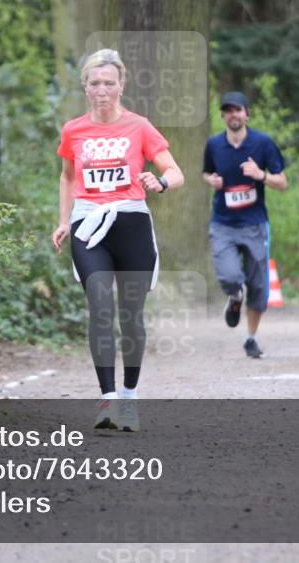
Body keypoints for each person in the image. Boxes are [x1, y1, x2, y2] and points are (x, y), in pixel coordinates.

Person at [52, 49, 184, 431]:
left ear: (121, 85)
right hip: (88, 225)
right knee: (99, 305)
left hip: (131, 224)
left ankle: (129, 396)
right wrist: (64, 220)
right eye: (95, 83)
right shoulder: (73, 130)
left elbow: (175, 172)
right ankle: (107, 399)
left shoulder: (139, 126)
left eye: (109, 83)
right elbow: (67, 176)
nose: (102, 90)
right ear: (85, 87)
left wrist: (159, 182)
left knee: (130, 315)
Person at [202, 91, 287, 359]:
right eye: (228, 111)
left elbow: (282, 182)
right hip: (223, 224)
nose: (233, 115)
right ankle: (235, 296)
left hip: (254, 224)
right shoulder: (214, 145)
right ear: (223, 116)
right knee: (229, 276)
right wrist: (211, 181)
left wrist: (261, 175)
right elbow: (206, 172)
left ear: (247, 114)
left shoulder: (262, 143)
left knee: (259, 287)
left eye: (237, 110)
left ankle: (251, 338)